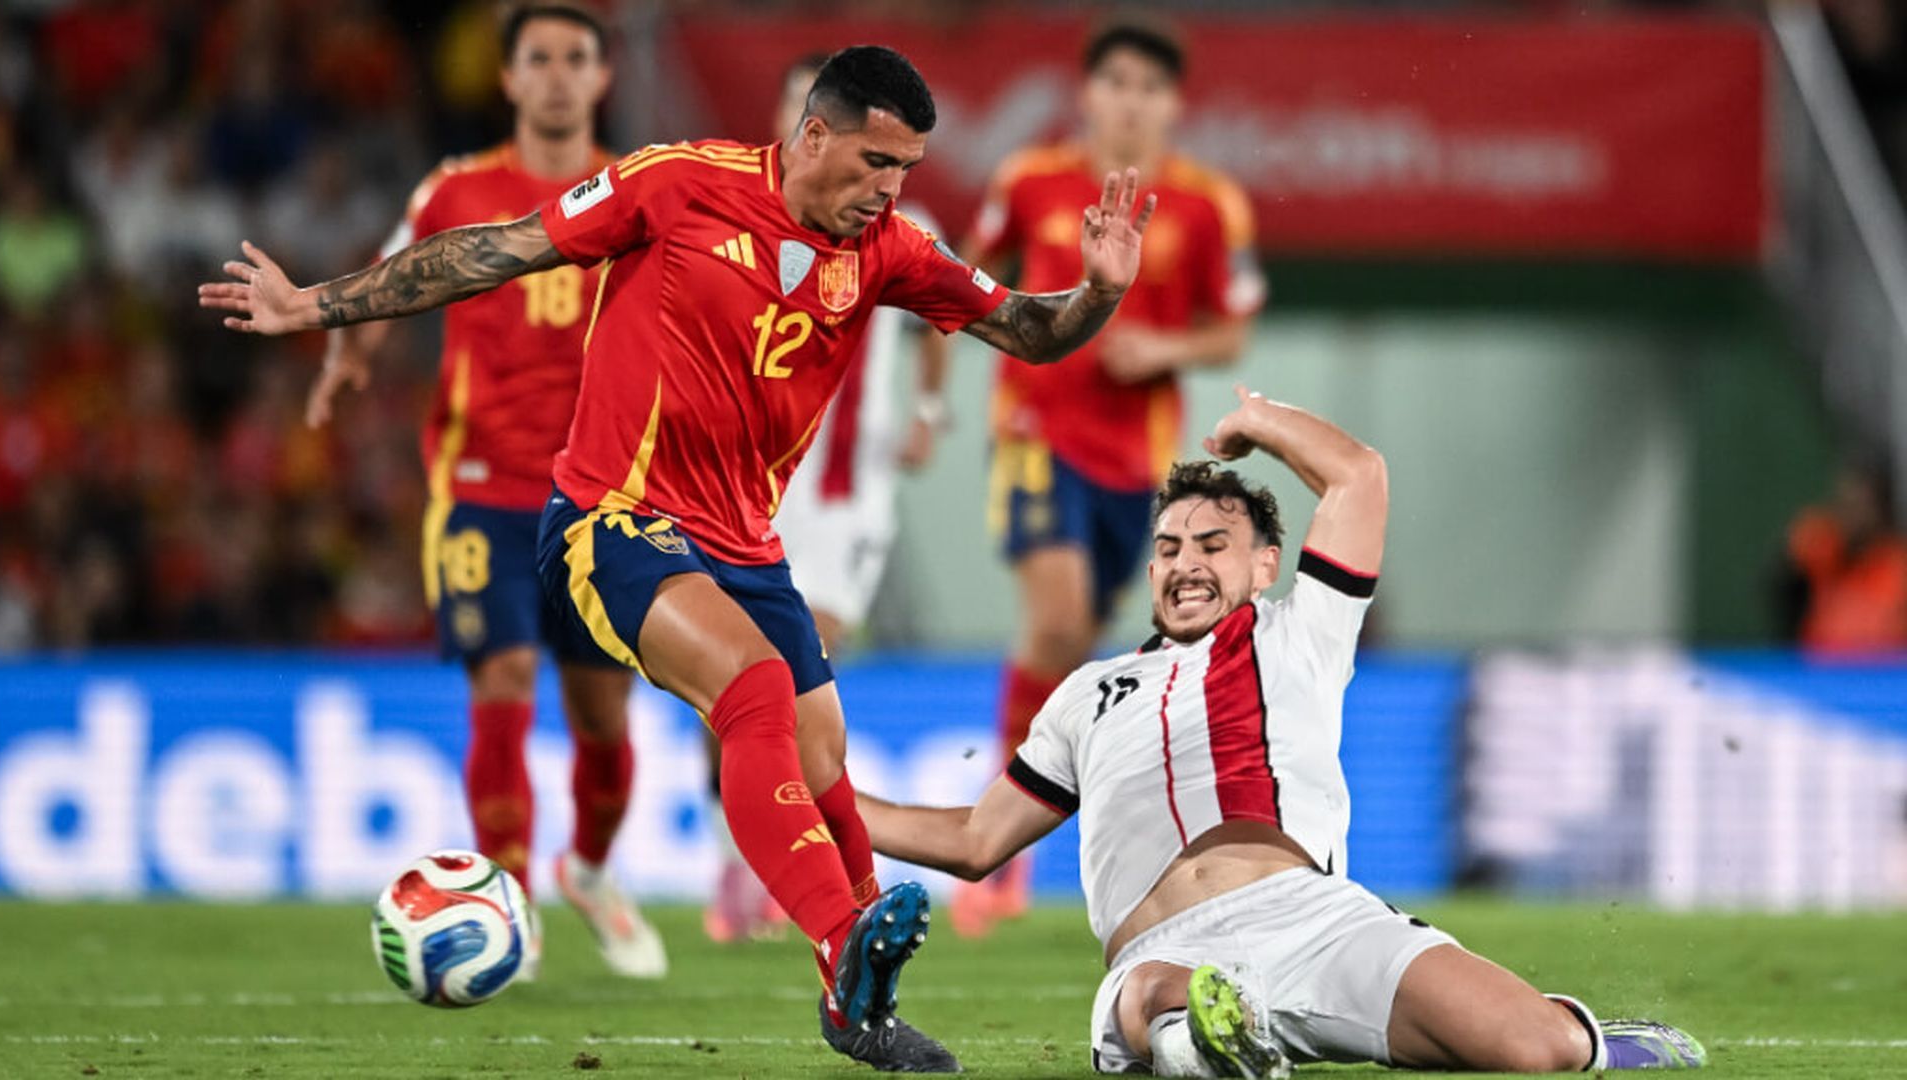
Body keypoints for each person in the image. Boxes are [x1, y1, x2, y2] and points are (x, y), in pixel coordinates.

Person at [200, 45, 1154, 1073]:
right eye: (876, 161)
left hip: (748, 544)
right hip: (612, 514)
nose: (890, 189)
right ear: (814, 134)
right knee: (750, 691)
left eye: (908, 170)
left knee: (822, 755)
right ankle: (843, 947)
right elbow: (499, 248)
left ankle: (862, 1004)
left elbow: (1028, 330)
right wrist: (316, 305)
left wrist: (1097, 295)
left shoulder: (889, 251)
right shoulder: (679, 183)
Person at [855, 386, 1709, 1076]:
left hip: (1316, 921)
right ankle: (1218, 1033)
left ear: (1266, 563)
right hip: (1161, 948)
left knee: (1538, 1051)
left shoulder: (1302, 632)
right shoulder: (1085, 694)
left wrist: (1258, 421)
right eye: (1168, 546)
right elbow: (975, 840)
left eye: (1213, 543)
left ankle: (1587, 1036)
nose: (1185, 562)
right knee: (1152, 995)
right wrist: (821, 796)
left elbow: (1358, 477)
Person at [299, 2, 663, 982]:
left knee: (602, 720)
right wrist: (350, 355)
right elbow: (395, 278)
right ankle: (512, 906)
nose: (554, 75)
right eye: (536, 58)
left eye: (573, 59)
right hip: (477, 490)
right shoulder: (457, 191)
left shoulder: (637, 196)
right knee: (500, 690)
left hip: (600, 497)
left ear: (601, 77)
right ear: (506, 80)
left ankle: (588, 868)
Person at [955, 20, 1266, 937]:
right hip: (1034, 429)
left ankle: (1034, 824)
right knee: (1054, 617)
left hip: (1138, 462)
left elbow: (1233, 330)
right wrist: (1036, 335)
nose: (1131, 101)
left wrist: (1163, 346)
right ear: (1086, 92)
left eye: (1150, 87)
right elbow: (972, 282)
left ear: (1174, 103)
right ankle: (994, 848)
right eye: (1116, 82)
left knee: (1082, 656)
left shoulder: (1213, 205)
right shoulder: (1028, 180)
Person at [701, 52, 954, 946]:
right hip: (743, 482)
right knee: (735, 681)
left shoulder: (895, 223)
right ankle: (745, 859)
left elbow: (939, 323)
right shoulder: (730, 206)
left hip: (847, 487)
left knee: (811, 650)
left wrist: (927, 410)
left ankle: (789, 878)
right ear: (803, 120)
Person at [1776, 457, 1907, 654]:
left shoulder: (1898, 566)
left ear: (1880, 510)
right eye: (1845, 503)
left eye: (1860, 505)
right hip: (1816, 673)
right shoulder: (1824, 550)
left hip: (1882, 675)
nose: (1851, 515)